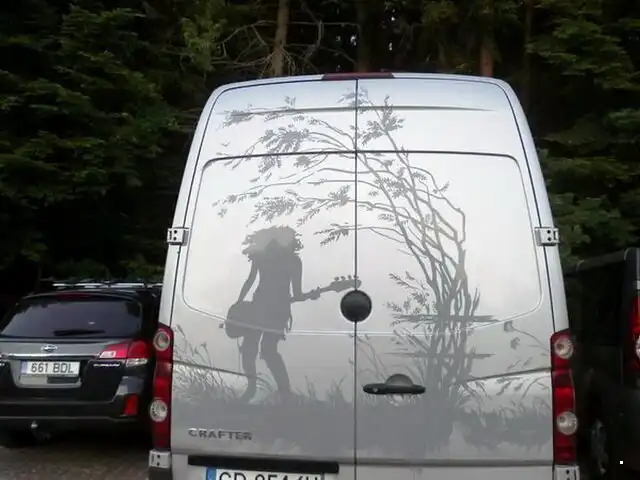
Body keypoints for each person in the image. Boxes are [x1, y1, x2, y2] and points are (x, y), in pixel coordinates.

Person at [234, 226, 318, 402]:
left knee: (260, 349)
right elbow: (297, 295)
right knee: (261, 349)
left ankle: (278, 391)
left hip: (269, 309)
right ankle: (273, 391)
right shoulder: (287, 260)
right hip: (268, 309)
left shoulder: (278, 259)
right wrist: (238, 304)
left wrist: (238, 303)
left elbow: (251, 281)